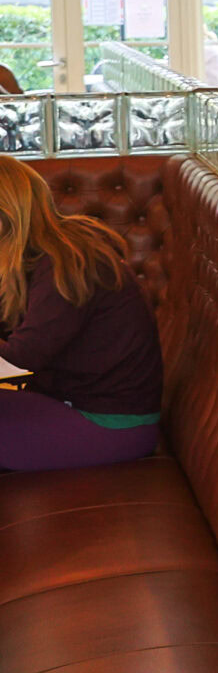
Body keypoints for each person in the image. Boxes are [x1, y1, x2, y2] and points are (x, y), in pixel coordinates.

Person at [0, 154, 166, 472]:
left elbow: (18, 361)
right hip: (75, 407)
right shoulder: (37, 255)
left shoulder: (69, 262)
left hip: (112, 425)